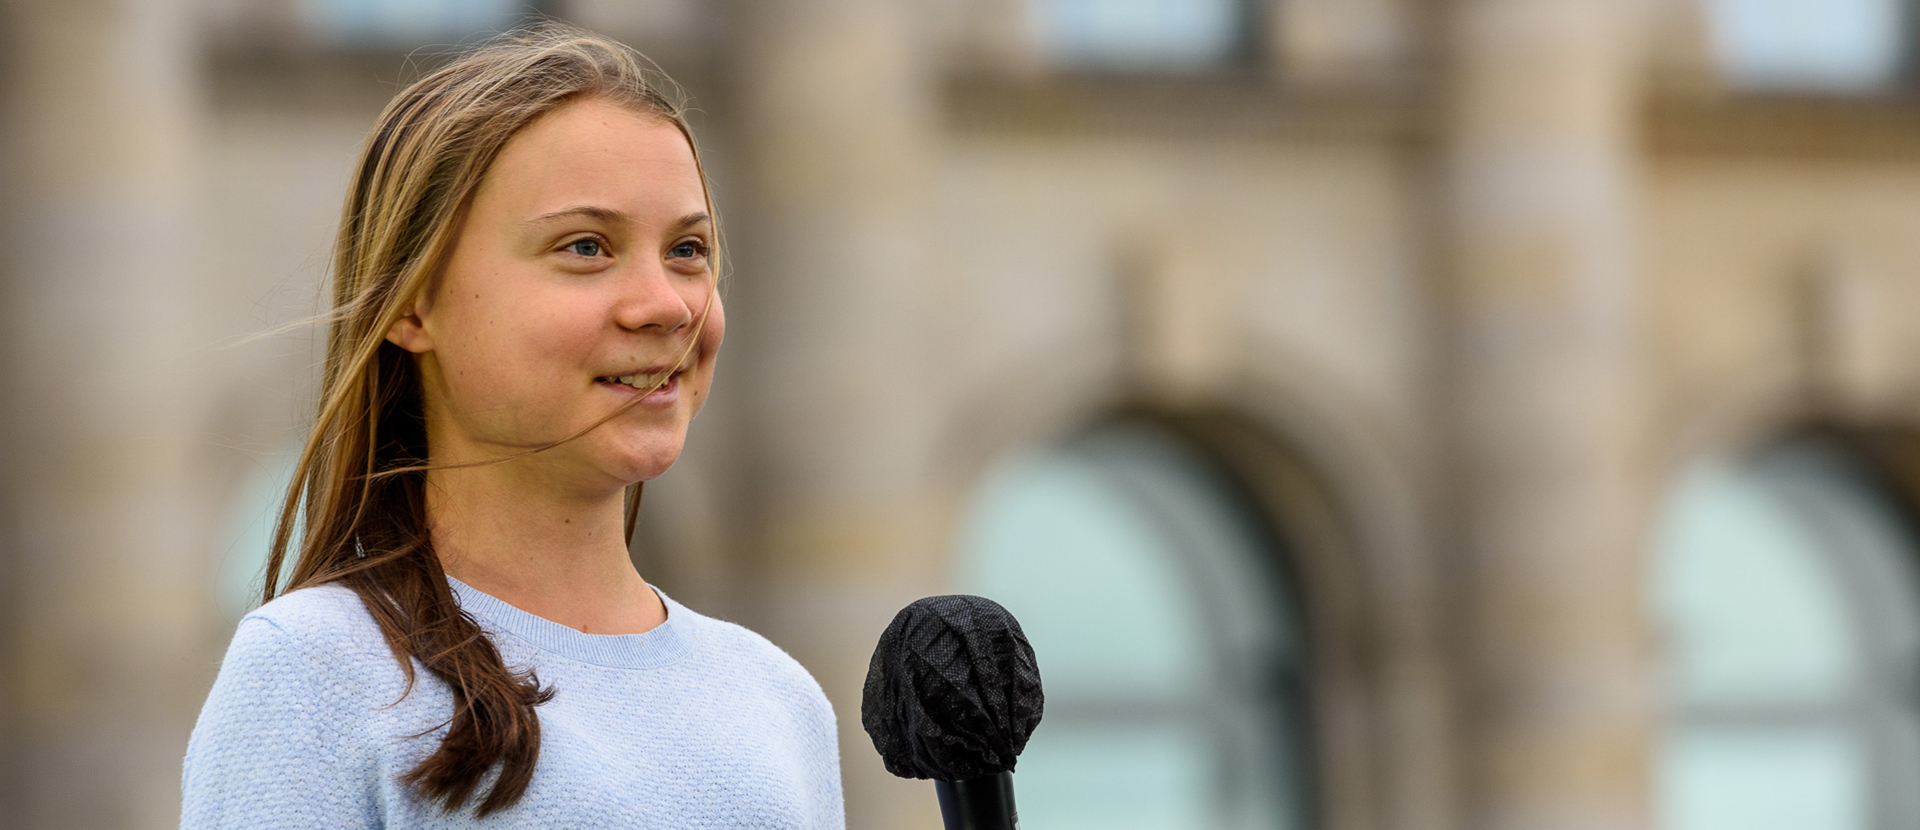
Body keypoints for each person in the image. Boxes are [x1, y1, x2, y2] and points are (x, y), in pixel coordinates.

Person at [181, 23, 845, 828]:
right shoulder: (316, 670)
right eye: (588, 246)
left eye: (689, 250)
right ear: (414, 299)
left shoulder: (778, 697)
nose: (667, 306)